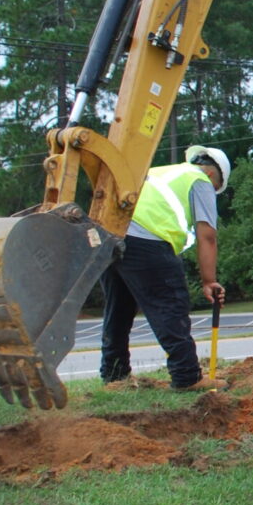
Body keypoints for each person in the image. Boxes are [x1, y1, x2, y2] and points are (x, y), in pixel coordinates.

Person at [100, 145, 232, 390]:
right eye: (215, 191)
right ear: (213, 176)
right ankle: (187, 376)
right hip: (148, 240)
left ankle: (114, 376)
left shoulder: (158, 171)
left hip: (109, 236)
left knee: (118, 309)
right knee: (170, 304)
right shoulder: (200, 180)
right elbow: (207, 236)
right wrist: (208, 280)